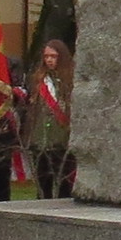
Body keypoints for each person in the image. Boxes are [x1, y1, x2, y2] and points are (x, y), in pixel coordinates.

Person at [27, 37, 75, 198]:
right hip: (41, 140)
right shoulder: (38, 80)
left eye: (53, 56)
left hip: (62, 140)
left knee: (64, 184)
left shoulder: (70, 80)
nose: (49, 60)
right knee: (43, 184)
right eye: (46, 56)